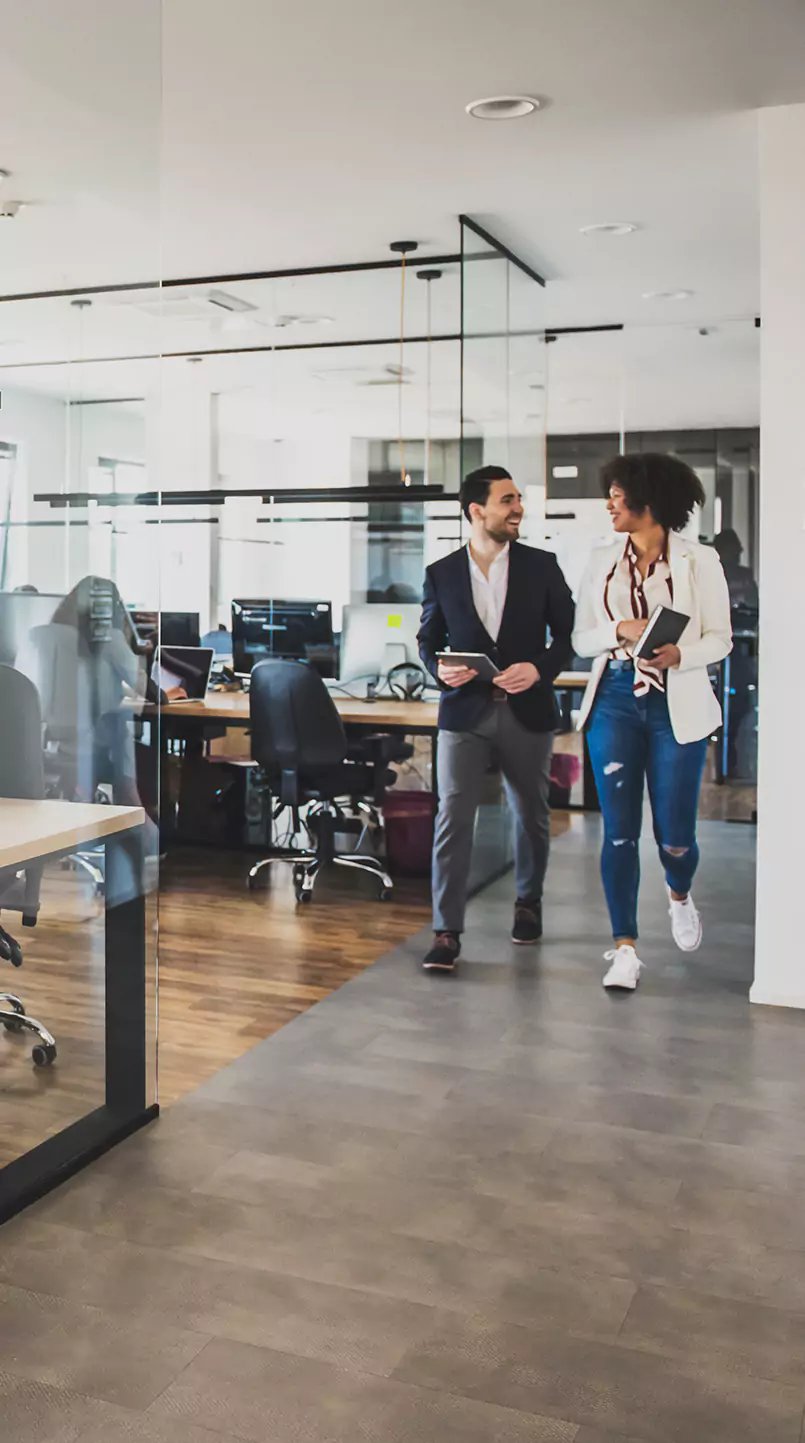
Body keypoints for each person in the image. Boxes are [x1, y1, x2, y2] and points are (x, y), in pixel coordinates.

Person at [573, 453, 732, 991]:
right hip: (614, 696)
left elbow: (720, 638)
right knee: (618, 833)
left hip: (675, 702)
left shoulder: (698, 561)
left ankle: (679, 894)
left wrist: (678, 656)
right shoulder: (600, 560)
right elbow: (579, 638)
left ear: (650, 502)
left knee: (675, 837)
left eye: (618, 495)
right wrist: (619, 627)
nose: (610, 504)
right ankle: (625, 949)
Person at [417, 465, 575, 973]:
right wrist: (441, 671)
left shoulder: (542, 566)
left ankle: (528, 901)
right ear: (477, 510)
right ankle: (446, 932)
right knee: (452, 819)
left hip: (526, 712)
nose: (518, 508)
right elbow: (427, 640)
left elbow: (570, 639)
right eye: (508, 500)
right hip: (464, 713)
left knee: (530, 813)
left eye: (518, 500)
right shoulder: (441, 573)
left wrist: (539, 669)